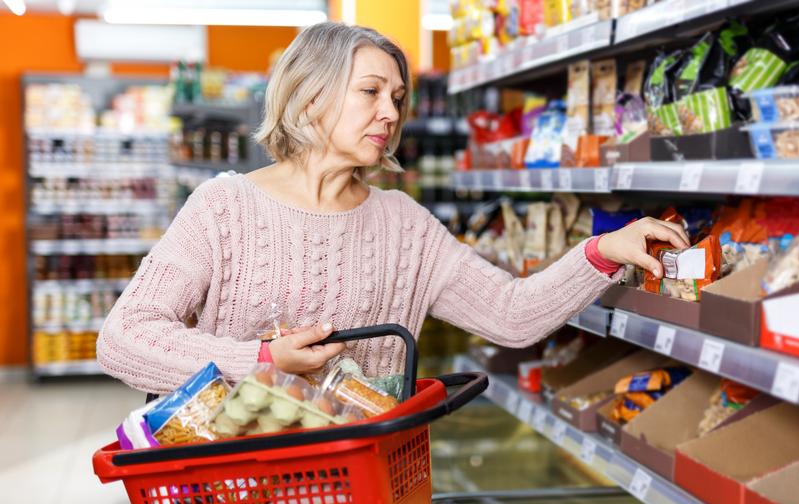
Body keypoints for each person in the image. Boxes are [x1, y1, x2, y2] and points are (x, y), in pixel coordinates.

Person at [97, 22, 688, 394]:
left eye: (398, 97)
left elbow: (512, 316)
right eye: (371, 91)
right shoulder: (224, 208)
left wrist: (602, 251)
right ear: (310, 95)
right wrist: (260, 360)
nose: (390, 112)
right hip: (240, 479)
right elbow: (124, 338)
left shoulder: (403, 225)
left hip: (362, 480)